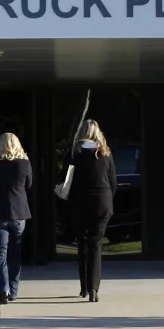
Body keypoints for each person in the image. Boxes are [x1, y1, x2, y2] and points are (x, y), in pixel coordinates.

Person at [65, 119, 118, 301]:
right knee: (96, 244)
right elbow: (113, 182)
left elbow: (66, 177)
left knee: (82, 243)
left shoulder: (76, 152)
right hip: (102, 202)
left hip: (80, 201)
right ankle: (94, 288)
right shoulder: (105, 153)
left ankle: (84, 287)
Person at [0, 133, 32, 303]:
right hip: (19, 212)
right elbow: (29, 186)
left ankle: (3, 289)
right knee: (15, 253)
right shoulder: (24, 164)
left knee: (0, 253)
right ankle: (13, 290)